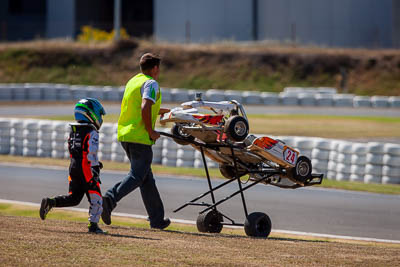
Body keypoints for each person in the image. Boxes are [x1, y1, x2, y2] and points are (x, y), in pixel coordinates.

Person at [101, 53, 170, 229]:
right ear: (155, 68)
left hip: (126, 134)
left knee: (147, 179)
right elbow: (145, 106)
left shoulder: (133, 81)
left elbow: (143, 105)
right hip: (140, 137)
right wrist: (151, 131)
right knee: (137, 176)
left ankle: (157, 219)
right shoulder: (151, 83)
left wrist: (162, 111)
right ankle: (109, 199)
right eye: (159, 68)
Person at [39, 98, 107, 234]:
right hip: (86, 168)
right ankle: (93, 226)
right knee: (96, 197)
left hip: (73, 166)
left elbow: (76, 151)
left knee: (74, 198)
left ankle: (50, 202)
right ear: (91, 113)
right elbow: (90, 152)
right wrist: (94, 169)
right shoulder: (91, 132)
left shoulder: (74, 130)